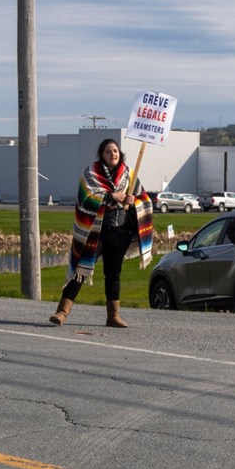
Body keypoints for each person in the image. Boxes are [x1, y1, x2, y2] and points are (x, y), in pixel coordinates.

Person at [52, 138, 153, 328]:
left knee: (113, 274)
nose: (113, 154)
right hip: (95, 233)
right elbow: (85, 199)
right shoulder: (91, 173)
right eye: (108, 151)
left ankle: (113, 316)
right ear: (101, 154)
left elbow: (144, 199)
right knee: (80, 271)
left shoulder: (129, 174)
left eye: (115, 151)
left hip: (119, 232)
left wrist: (133, 202)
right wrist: (110, 196)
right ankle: (62, 312)